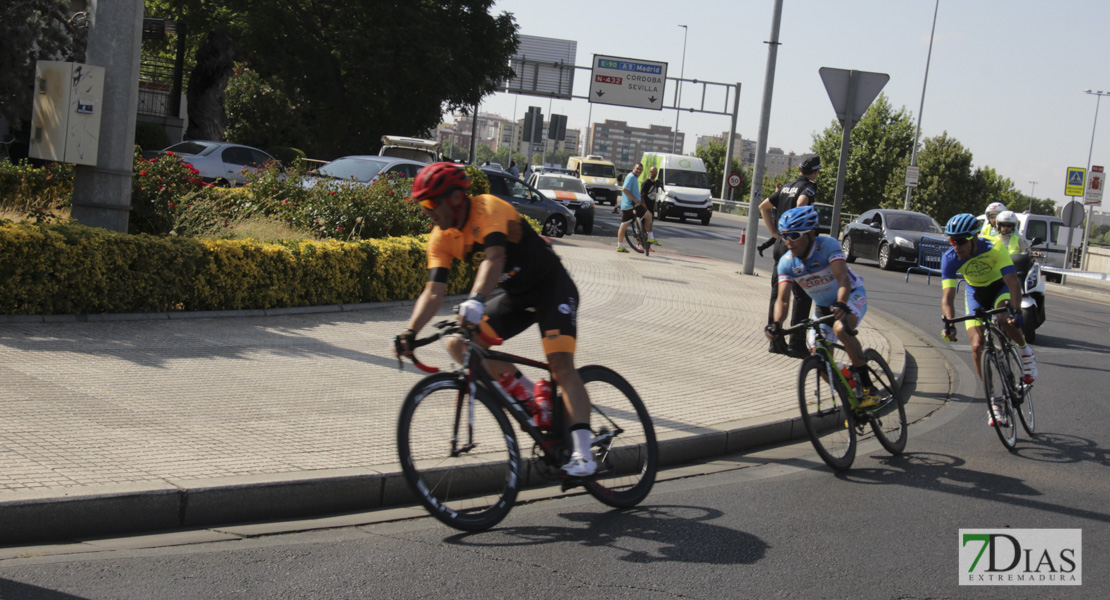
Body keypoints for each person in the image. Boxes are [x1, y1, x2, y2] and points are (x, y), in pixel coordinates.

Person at [395, 162, 596, 476]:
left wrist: (475, 300)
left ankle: (584, 454)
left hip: (550, 289)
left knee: (560, 365)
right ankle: (534, 396)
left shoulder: (487, 208)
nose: (426, 211)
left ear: (455, 198)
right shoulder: (440, 238)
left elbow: (495, 257)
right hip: (515, 297)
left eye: (431, 203)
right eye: (423, 204)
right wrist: (409, 331)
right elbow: (433, 292)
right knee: (459, 344)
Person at [764, 206, 879, 407]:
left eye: (793, 235)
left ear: (810, 233)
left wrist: (842, 304)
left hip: (850, 296)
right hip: (823, 307)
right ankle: (852, 397)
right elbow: (783, 300)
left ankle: (868, 386)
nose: (787, 241)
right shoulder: (786, 263)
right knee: (821, 359)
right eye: (784, 236)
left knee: (841, 329)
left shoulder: (827, 246)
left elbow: (843, 279)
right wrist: (775, 324)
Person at [939, 213, 1037, 426]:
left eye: (962, 240)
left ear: (975, 237)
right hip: (975, 292)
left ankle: (1025, 352)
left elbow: (1012, 282)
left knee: (1002, 317)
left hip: (999, 287)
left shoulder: (994, 246)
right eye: (952, 241)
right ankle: (993, 400)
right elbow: (947, 297)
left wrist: (1016, 312)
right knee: (976, 345)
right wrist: (949, 323)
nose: (956, 245)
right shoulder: (949, 258)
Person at [759, 156, 820, 356]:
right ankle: (796, 344)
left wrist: (776, 233)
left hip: (780, 244)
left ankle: (775, 342)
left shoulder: (786, 187)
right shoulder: (808, 188)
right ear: (815, 172)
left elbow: (763, 207)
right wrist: (797, 227)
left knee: (778, 294)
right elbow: (802, 201)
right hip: (795, 245)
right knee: (802, 296)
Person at [616, 162, 659, 252]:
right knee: (649, 215)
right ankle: (650, 237)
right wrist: (635, 199)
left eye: (640, 170)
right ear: (633, 168)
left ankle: (620, 246)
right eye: (637, 169)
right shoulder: (631, 177)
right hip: (633, 205)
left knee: (623, 226)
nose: (639, 171)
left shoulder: (633, 177)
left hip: (626, 206)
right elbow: (625, 189)